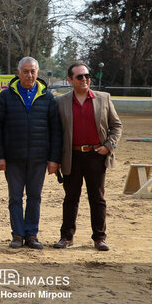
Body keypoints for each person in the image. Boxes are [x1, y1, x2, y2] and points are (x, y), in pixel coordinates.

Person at [0, 57, 62, 250]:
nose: (29, 75)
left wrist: (54, 159)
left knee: (34, 197)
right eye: (25, 71)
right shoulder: (5, 97)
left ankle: (32, 234)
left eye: (32, 71)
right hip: (13, 159)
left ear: (38, 73)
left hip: (39, 159)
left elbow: (56, 130)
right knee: (15, 198)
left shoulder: (48, 97)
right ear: (18, 72)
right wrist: (0, 156)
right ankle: (17, 235)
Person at [54, 63, 122, 251]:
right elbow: (56, 132)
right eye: (79, 77)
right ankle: (66, 237)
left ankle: (99, 238)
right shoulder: (61, 102)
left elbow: (117, 126)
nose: (84, 79)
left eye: (87, 76)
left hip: (96, 156)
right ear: (70, 80)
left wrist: (109, 146)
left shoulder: (104, 98)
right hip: (72, 156)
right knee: (70, 198)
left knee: (97, 198)